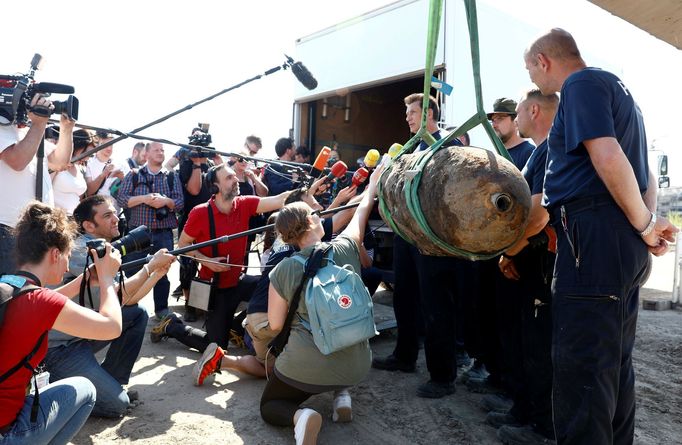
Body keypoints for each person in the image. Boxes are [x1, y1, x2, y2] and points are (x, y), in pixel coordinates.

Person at [523, 28, 677, 444]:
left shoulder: (581, 84)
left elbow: (606, 154)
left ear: (543, 61)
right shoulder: (621, 92)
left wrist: (644, 225)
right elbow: (643, 172)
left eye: (531, 71)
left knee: (582, 371)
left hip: (591, 239)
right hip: (616, 241)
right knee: (612, 367)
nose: (534, 83)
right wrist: (643, 225)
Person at [257, 162, 384, 445]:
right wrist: (373, 182)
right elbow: (361, 212)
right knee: (341, 331)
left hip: (306, 366)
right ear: (314, 222)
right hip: (359, 364)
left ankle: (300, 418)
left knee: (270, 405)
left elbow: (276, 325)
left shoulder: (284, 269)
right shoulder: (346, 247)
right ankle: (342, 395)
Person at [0, 202, 122, 444]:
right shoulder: (42, 302)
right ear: (55, 254)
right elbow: (112, 327)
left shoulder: (8, 283)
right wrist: (107, 278)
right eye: (66, 256)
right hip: (6, 434)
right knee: (84, 389)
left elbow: (38, 303)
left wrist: (83, 282)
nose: (68, 266)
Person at [42, 195, 175, 418]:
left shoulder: (106, 249)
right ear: (88, 225)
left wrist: (155, 273)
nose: (115, 218)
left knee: (137, 314)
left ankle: (110, 381)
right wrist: (148, 267)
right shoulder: (79, 249)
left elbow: (127, 300)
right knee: (118, 407)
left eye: (114, 212)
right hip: (58, 349)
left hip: (80, 335)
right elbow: (119, 292)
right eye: (107, 215)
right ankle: (62, 382)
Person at [372, 93, 468, 399]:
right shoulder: (412, 149)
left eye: (412, 113)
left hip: (434, 243)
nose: (408, 118)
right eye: (407, 114)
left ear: (429, 114)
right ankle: (404, 356)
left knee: (436, 305)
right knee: (405, 297)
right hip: (407, 236)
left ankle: (442, 377)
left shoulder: (449, 148)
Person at [486, 88, 559, 445]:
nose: (515, 119)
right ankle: (522, 410)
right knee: (522, 342)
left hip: (540, 262)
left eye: (516, 112)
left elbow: (537, 216)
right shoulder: (542, 152)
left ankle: (542, 427)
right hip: (525, 260)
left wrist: (509, 253)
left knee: (538, 348)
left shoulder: (551, 150)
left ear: (533, 111)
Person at [168, 164, 292, 355]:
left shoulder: (244, 203)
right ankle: (172, 326)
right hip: (216, 288)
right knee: (216, 347)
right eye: (229, 177)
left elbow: (279, 200)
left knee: (274, 286)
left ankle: (235, 325)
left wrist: (310, 189)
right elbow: (182, 247)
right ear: (215, 186)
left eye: (235, 176)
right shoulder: (200, 212)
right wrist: (207, 261)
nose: (236, 179)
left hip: (239, 281)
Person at [0, 97, 75, 276]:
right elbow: (18, 160)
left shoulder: (30, 131)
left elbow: (60, 162)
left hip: (31, 231)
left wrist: (66, 129)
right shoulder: (3, 127)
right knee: (7, 295)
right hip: (6, 229)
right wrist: (39, 124)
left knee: (26, 293)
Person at [116, 142, 184, 320]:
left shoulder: (171, 176)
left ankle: (161, 311)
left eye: (163, 150)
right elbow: (122, 199)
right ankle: (128, 308)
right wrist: (144, 199)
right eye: (156, 150)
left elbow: (179, 203)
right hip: (137, 235)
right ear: (146, 154)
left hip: (163, 233)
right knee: (131, 272)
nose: (161, 153)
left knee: (162, 272)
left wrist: (166, 202)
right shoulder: (134, 175)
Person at [176, 134, 224, 321]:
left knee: (209, 260)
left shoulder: (212, 167)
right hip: (191, 219)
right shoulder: (186, 165)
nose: (202, 151)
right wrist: (196, 163)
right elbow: (194, 190)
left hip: (211, 219)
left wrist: (217, 160)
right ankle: (189, 304)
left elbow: (222, 184)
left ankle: (202, 303)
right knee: (188, 263)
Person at [52, 128, 90, 215]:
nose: (87, 158)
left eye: (90, 155)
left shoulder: (80, 169)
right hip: (56, 217)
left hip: (74, 218)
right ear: (76, 146)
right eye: (85, 153)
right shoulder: (56, 161)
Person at [84, 131, 127, 199]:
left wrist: (123, 179)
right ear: (98, 144)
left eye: (111, 144)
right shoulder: (88, 162)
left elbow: (127, 192)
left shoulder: (121, 164)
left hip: (115, 208)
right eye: (106, 144)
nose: (109, 148)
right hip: (94, 207)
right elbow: (88, 192)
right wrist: (104, 174)